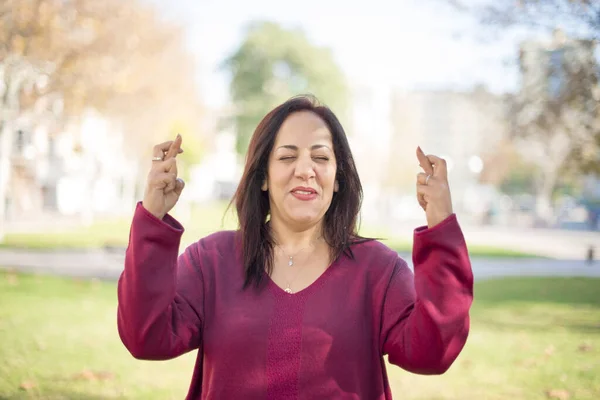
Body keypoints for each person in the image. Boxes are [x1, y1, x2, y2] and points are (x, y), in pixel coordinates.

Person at [117, 95, 474, 399]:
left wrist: (440, 227)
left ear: (338, 180)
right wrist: (152, 218)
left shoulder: (377, 270)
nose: (305, 170)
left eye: (320, 158)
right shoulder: (211, 260)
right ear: (261, 177)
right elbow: (145, 338)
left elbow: (432, 353)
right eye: (287, 157)